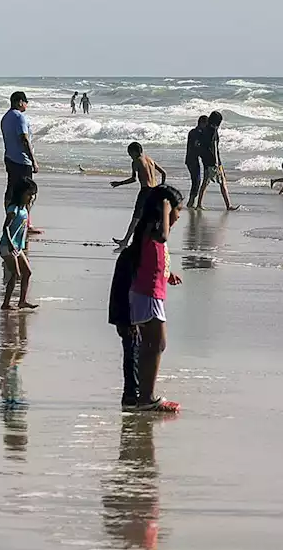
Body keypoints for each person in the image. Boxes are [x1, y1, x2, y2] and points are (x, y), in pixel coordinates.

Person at [108, 185, 184, 412]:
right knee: (155, 344)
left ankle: (142, 395)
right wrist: (165, 206)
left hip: (152, 292)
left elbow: (153, 262)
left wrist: (168, 276)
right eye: (177, 211)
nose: (179, 216)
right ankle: (146, 397)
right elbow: (161, 239)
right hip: (147, 294)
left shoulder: (149, 232)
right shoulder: (155, 229)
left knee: (150, 345)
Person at [110, 142, 168, 249]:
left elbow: (133, 179)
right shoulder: (150, 160)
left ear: (135, 151)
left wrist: (119, 183)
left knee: (136, 217)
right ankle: (157, 242)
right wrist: (162, 186)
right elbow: (164, 173)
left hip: (145, 191)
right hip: (155, 191)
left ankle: (125, 241)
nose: (130, 156)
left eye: (130, 153)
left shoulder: (136, 161)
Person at [0, 178, 38, 310]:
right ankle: (6, 303)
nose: (31, 197)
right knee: (15, 274)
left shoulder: (25, 210)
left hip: (17, 247)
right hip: (7, 246)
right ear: (21, 193)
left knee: (27, 272)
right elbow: (5, 228)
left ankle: (22, 301)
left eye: (33, 195)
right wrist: (11, 244)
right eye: (28, 194)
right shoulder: (13, 209)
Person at [0, 91, 37, 208]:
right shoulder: (19, 117)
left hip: (9, 157)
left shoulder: (5, 117)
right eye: (26, 102)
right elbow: (24, 139)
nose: (26, 105)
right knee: (27, 191)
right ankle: (25, 222)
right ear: (20, 102)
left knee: (11, 189)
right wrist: (33, 160)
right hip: (21, 160)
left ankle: (10, 217)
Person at [197, 111, 239, 211]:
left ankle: (199, 203)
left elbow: (203, 146)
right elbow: (214, 147)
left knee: (205, 182)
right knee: (222, 182)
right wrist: (216, 163)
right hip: (214, 161)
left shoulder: (205, 130)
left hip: (206, 161)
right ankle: (228, 205)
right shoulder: (213, 131)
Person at [183, 115, 209, 208]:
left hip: (191, 159)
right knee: (197, 180)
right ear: (202, 123)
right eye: (206, 124)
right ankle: (191, 201)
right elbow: (197, 146)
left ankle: (191, 201)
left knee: (196, 180)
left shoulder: (193, 132)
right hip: (192, 159)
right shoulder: (197, 133)